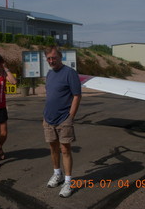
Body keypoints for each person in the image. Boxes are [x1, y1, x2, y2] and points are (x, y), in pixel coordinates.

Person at [43, 46, 82, 198]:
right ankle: (57, 174)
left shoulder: (70, 73)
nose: (51, 61)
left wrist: (70, 116)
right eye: (49, 58)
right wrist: (44, 117)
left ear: (60, 57)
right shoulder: (49, 74)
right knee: (53, 148)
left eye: (54, 58)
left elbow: (77, 95)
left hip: (63, 119)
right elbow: (49, 97)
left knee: (65, 150)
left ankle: (68, 182)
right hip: (48, 119)